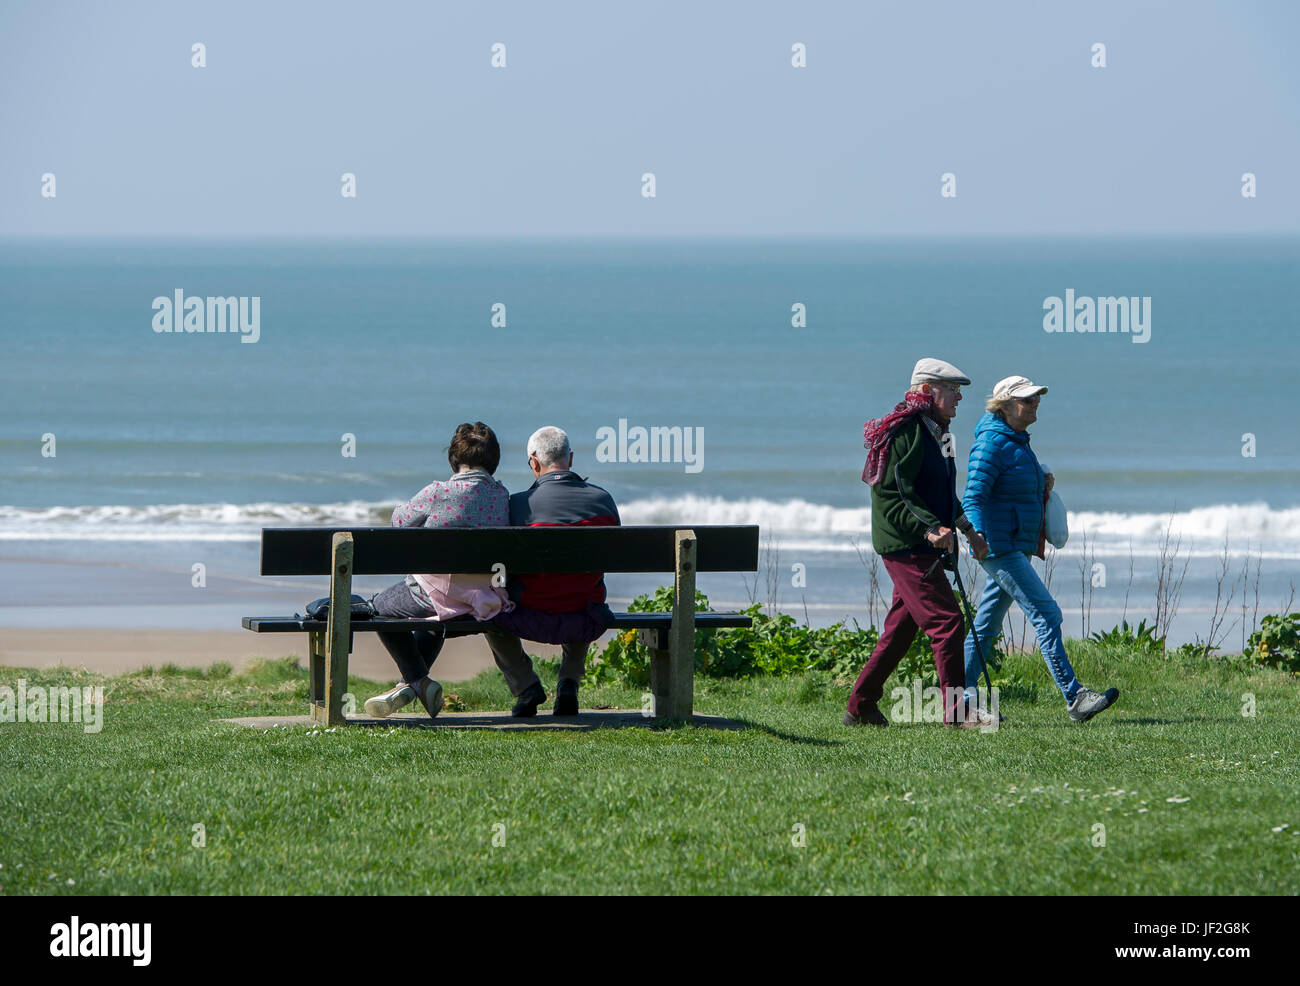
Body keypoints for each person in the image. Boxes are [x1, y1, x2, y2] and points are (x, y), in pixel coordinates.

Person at [962, 376, 1118, 722]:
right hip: (998, 547)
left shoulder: (1015, 440)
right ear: (1003, 405)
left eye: (1036, 399)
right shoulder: (992, 443)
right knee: (1046, 614)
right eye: (1026, 400)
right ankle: (1075, 697)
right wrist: (975, 538)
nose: (1034, 404)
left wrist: (1041, 483)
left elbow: (1009, 488)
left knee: (986, 624)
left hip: (1013, 544)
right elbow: (972, 497)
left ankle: (964, 700)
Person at [846, 358, 991, 728]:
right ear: (927, 391)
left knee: (901, 630)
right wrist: (928, 530)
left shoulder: (937, 433)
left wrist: (967, 530)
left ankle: (860, 706)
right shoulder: (906, 433)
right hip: (905, 545)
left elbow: (943, 495)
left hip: (919, 542)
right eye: (952, 390)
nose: (959, 397)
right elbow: (894, 497)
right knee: (947, 623)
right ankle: (958, 715)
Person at [362, 422, 512, 719]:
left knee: (377, 608)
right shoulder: (502, 497)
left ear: (454, 460)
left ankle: (417, 680)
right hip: (486, 597)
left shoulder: (438, 492)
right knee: (434, 616)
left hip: (441, 595)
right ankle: (413, 683)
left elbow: (399, 522)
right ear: (493, 461)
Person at [483, 426, 620, 718]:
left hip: (528, 613)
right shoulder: (603, 501)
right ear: (570, 459)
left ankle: (525, 686)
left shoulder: (517, 506)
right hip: (585, 615)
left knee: (489, 609)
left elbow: (500, 566)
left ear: (534, 463)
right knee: (583, 585)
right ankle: (569, 681)